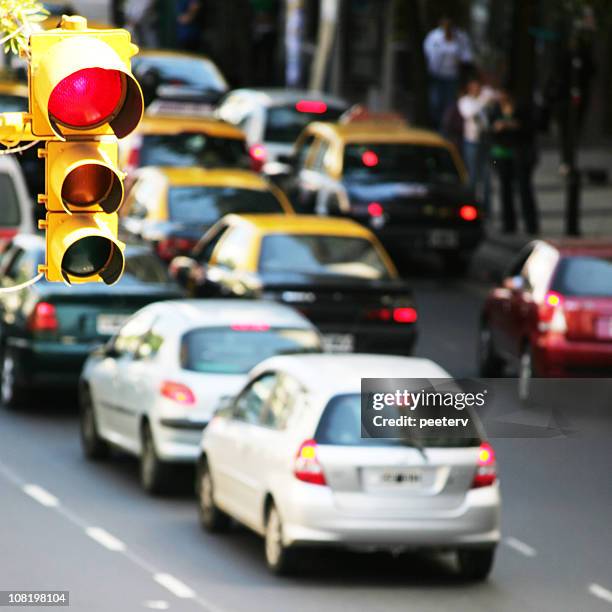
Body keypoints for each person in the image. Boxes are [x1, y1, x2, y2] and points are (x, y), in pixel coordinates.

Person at [488, 87, 539, 235]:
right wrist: (496, 128)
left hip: (520, 154)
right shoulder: (496, 109)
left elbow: (531, 128)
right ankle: (509, 224)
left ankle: (531, 225)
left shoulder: (521, 108)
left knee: (524, 189)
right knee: (505, 189)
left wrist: (513, 125)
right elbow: (490, 130)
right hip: (502, 154)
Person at [423, 16, 473, 129]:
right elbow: (428, 53)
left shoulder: (460, 37)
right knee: (435, 104)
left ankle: (444, 128)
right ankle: (435, 126)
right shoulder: (434, 37)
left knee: (448, 106)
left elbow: (466, 57)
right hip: (436, 75)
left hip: (451, 76)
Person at [458, 76, 496, 212]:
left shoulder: (483, 99)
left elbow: (493, 95)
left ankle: (487, 208)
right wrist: (484, 101)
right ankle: (471, 205)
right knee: (472, 174)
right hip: (472, 141)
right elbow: (470, 113)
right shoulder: (465, 101)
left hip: (485, 139)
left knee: (486, 175)